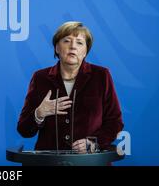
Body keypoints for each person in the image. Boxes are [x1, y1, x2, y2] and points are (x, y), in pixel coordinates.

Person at [17, 21, 123, 153]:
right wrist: (39, 113)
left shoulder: (101, 75)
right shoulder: (40, 78)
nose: (73, 46)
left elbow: (115, 122)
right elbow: (24, 130)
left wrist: (93, 143)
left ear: (85, 51)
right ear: (57, 48)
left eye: (79, 42)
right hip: (49, 162)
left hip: (89, 162)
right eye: (67, 41)